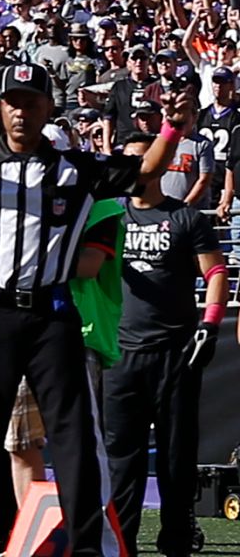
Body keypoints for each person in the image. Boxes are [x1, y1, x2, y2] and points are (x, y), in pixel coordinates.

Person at [0, 64, 193, 557]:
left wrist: (173, 130)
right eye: (12, 102)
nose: (21, 111)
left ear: (49, 108)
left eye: (30, 102)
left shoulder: (76, 169)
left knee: (73, 437)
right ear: (1, 108)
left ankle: (86, 544)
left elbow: (146, 172)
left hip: (53, 314)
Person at [106, 148, 226, 557]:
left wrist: (209, 325)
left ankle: (177, 539)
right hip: (121, 355)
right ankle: (121, 543)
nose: (134, 166)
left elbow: (216, 272)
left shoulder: (185, 217)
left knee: (177, 456)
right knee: (122, 458)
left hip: (176, 354)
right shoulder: (110, 215)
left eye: (141, 158)